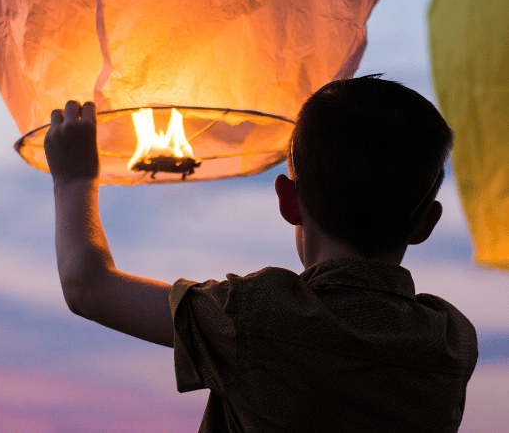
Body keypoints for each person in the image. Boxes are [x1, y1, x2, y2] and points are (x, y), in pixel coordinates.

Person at [43, 76, 478, 432]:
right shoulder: (452, 342)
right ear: (426, 223)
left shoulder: (256, 317)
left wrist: (73, 179)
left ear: (289, 200)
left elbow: (87, 286)